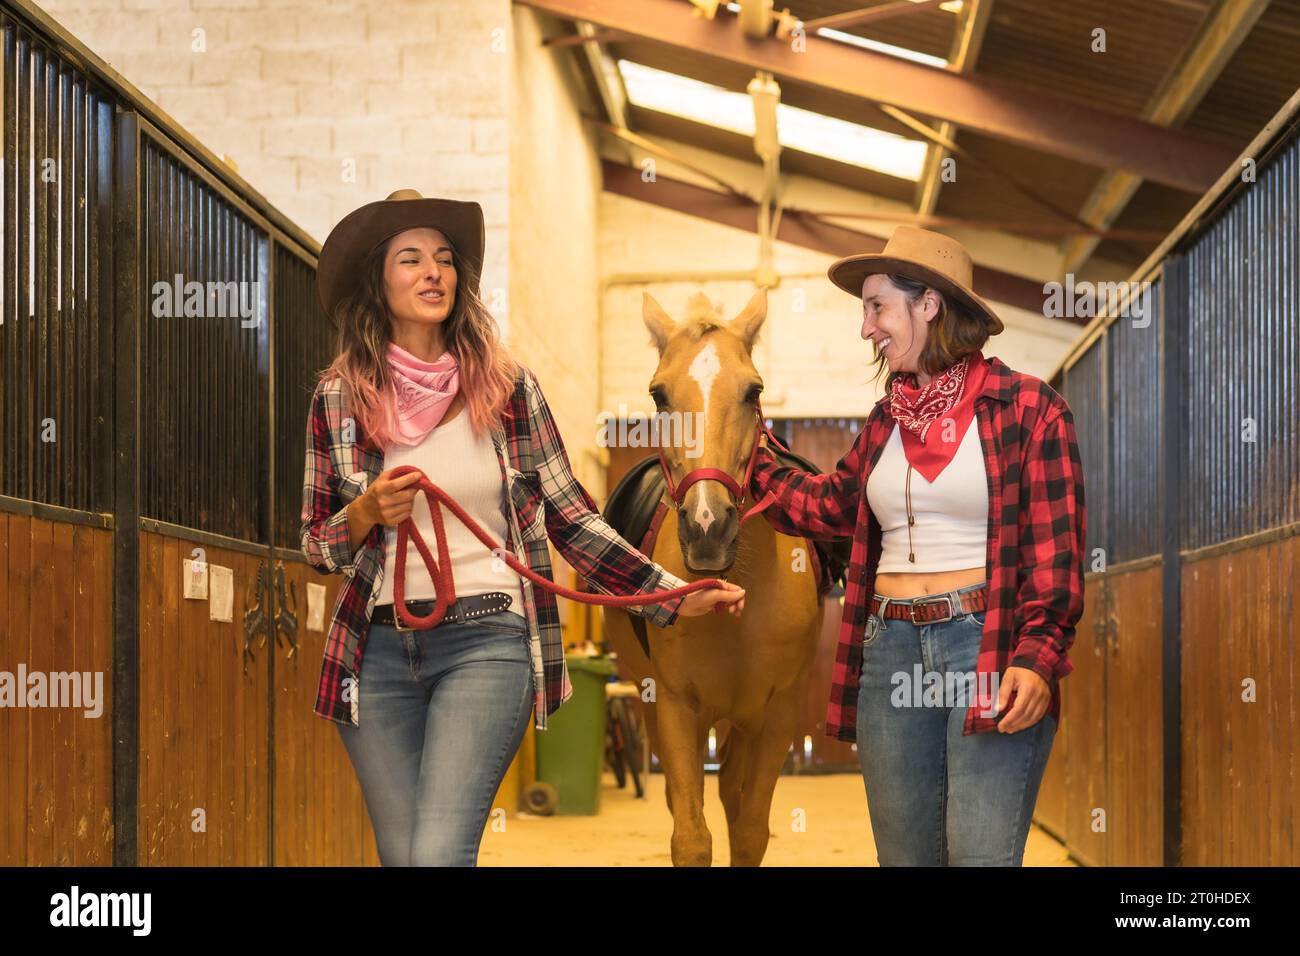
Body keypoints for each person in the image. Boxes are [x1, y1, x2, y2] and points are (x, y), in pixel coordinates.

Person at [299, 188, 745, 866]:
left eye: (445, 260)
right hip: (375, 656)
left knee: (436, 857)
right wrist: (361, 515)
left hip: (486, 641)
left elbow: (572, 520)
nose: (433, 273)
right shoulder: (338, 398)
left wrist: (670, 594)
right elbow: (314, 544)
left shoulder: (507, 390)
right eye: (411, 259)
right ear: (376, 280)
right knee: (402, 859)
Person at [749, 225, 1086, 866]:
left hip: (983, 645)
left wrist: (1037, 658)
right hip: (889, 646)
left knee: (979, 857)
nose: (866, 327)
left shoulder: (1030, 409)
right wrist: (752, 457)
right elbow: (829, 507)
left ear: (927, 304)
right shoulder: (886, 422)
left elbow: (1056, 556)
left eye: (877, 306)